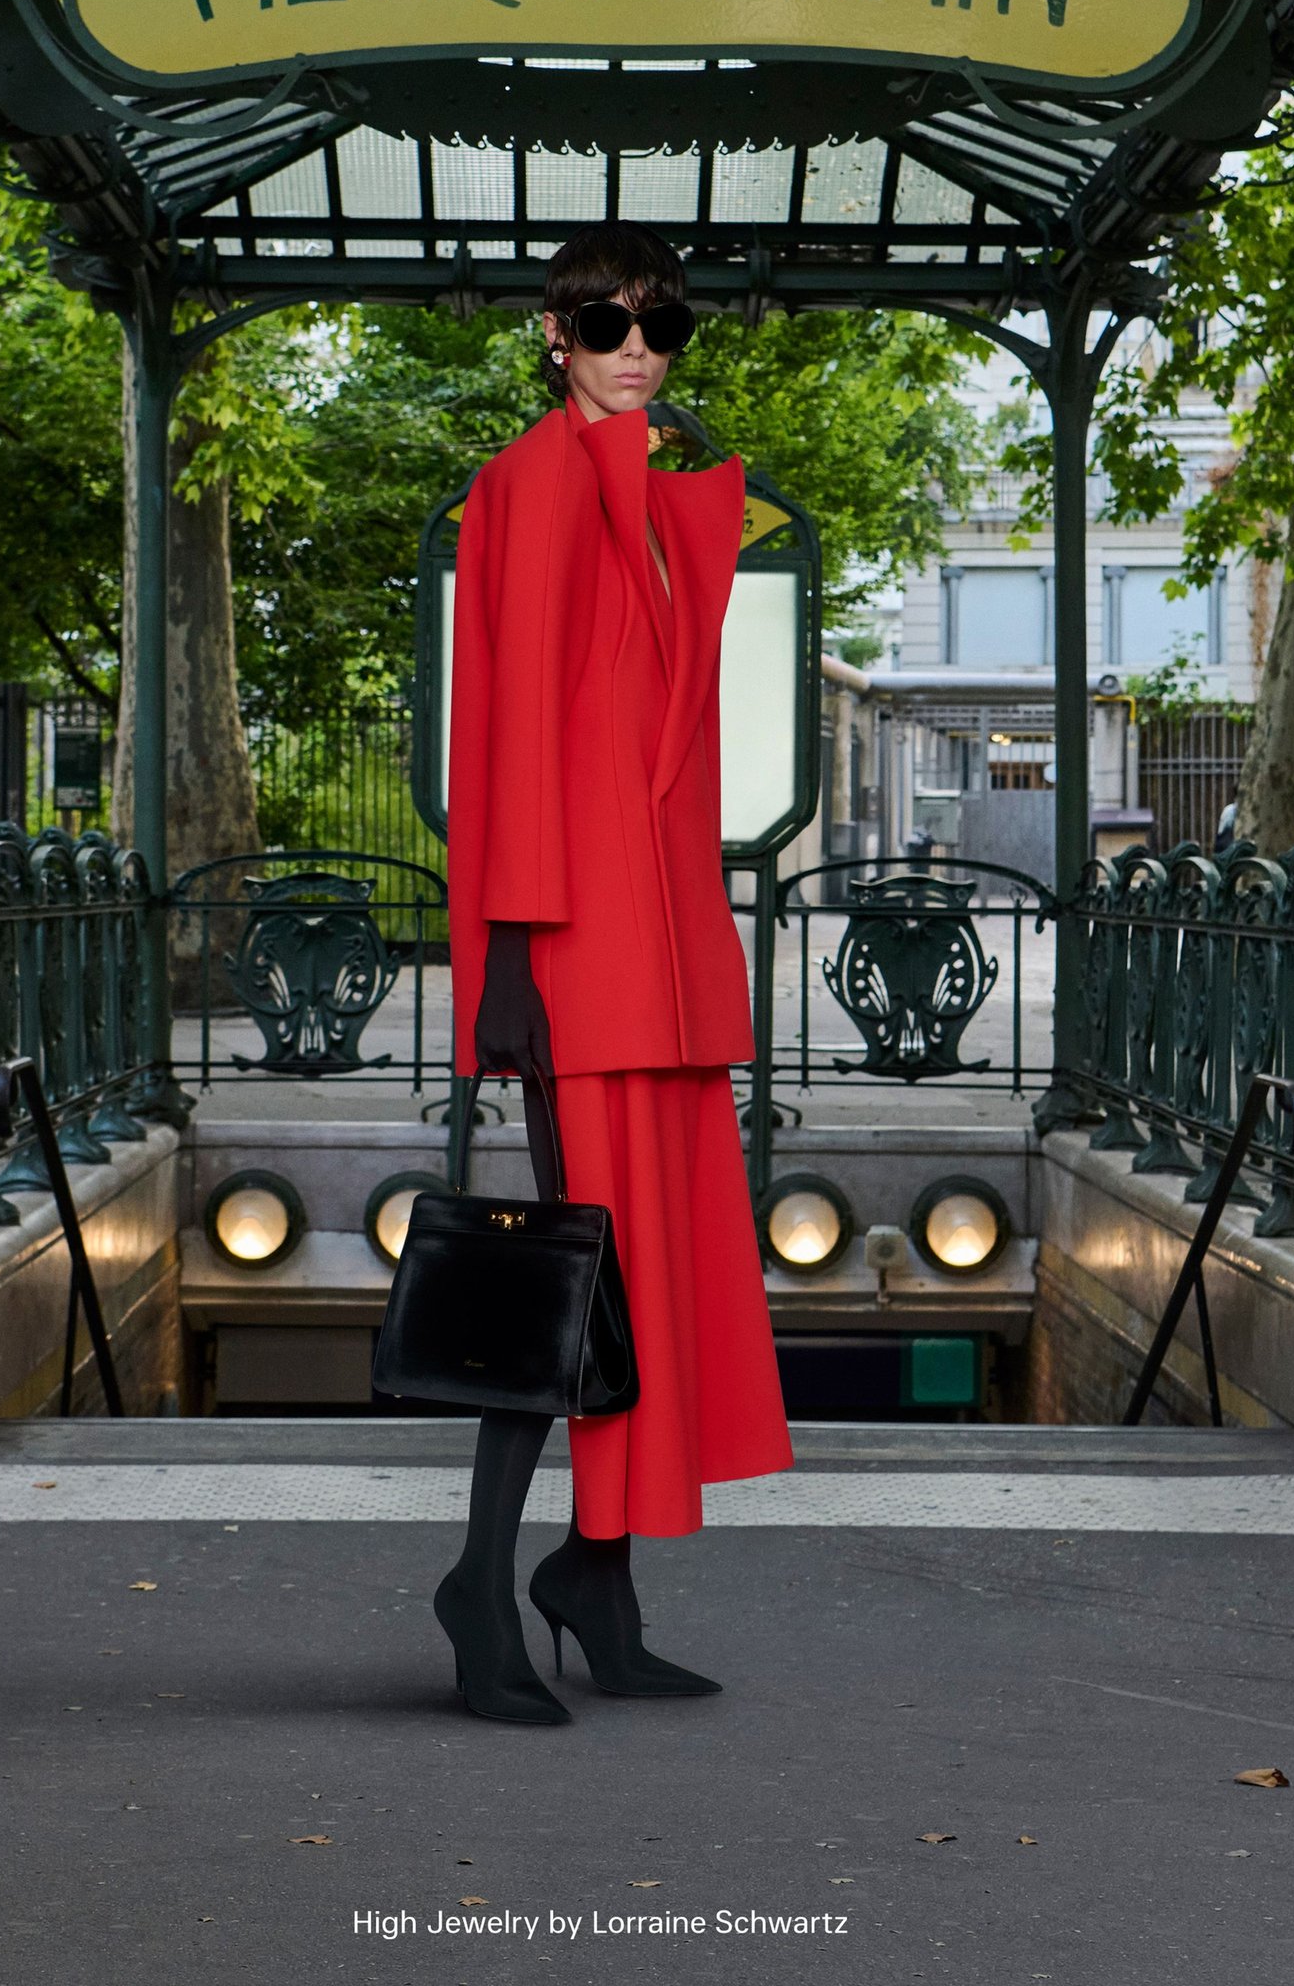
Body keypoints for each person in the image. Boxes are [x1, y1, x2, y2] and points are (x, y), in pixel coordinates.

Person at [433, 221, 794, 1724]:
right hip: (572, 950)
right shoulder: (523, 487)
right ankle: (481, 1578)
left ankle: (603, 1578)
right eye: (603, 319)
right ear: (550, 331)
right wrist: (507, 960)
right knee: (565, 1278)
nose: (635, 345)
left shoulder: (650, 496)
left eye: (662, 324)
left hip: (657, 942)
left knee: (648, 1273)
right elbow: (510, 731)